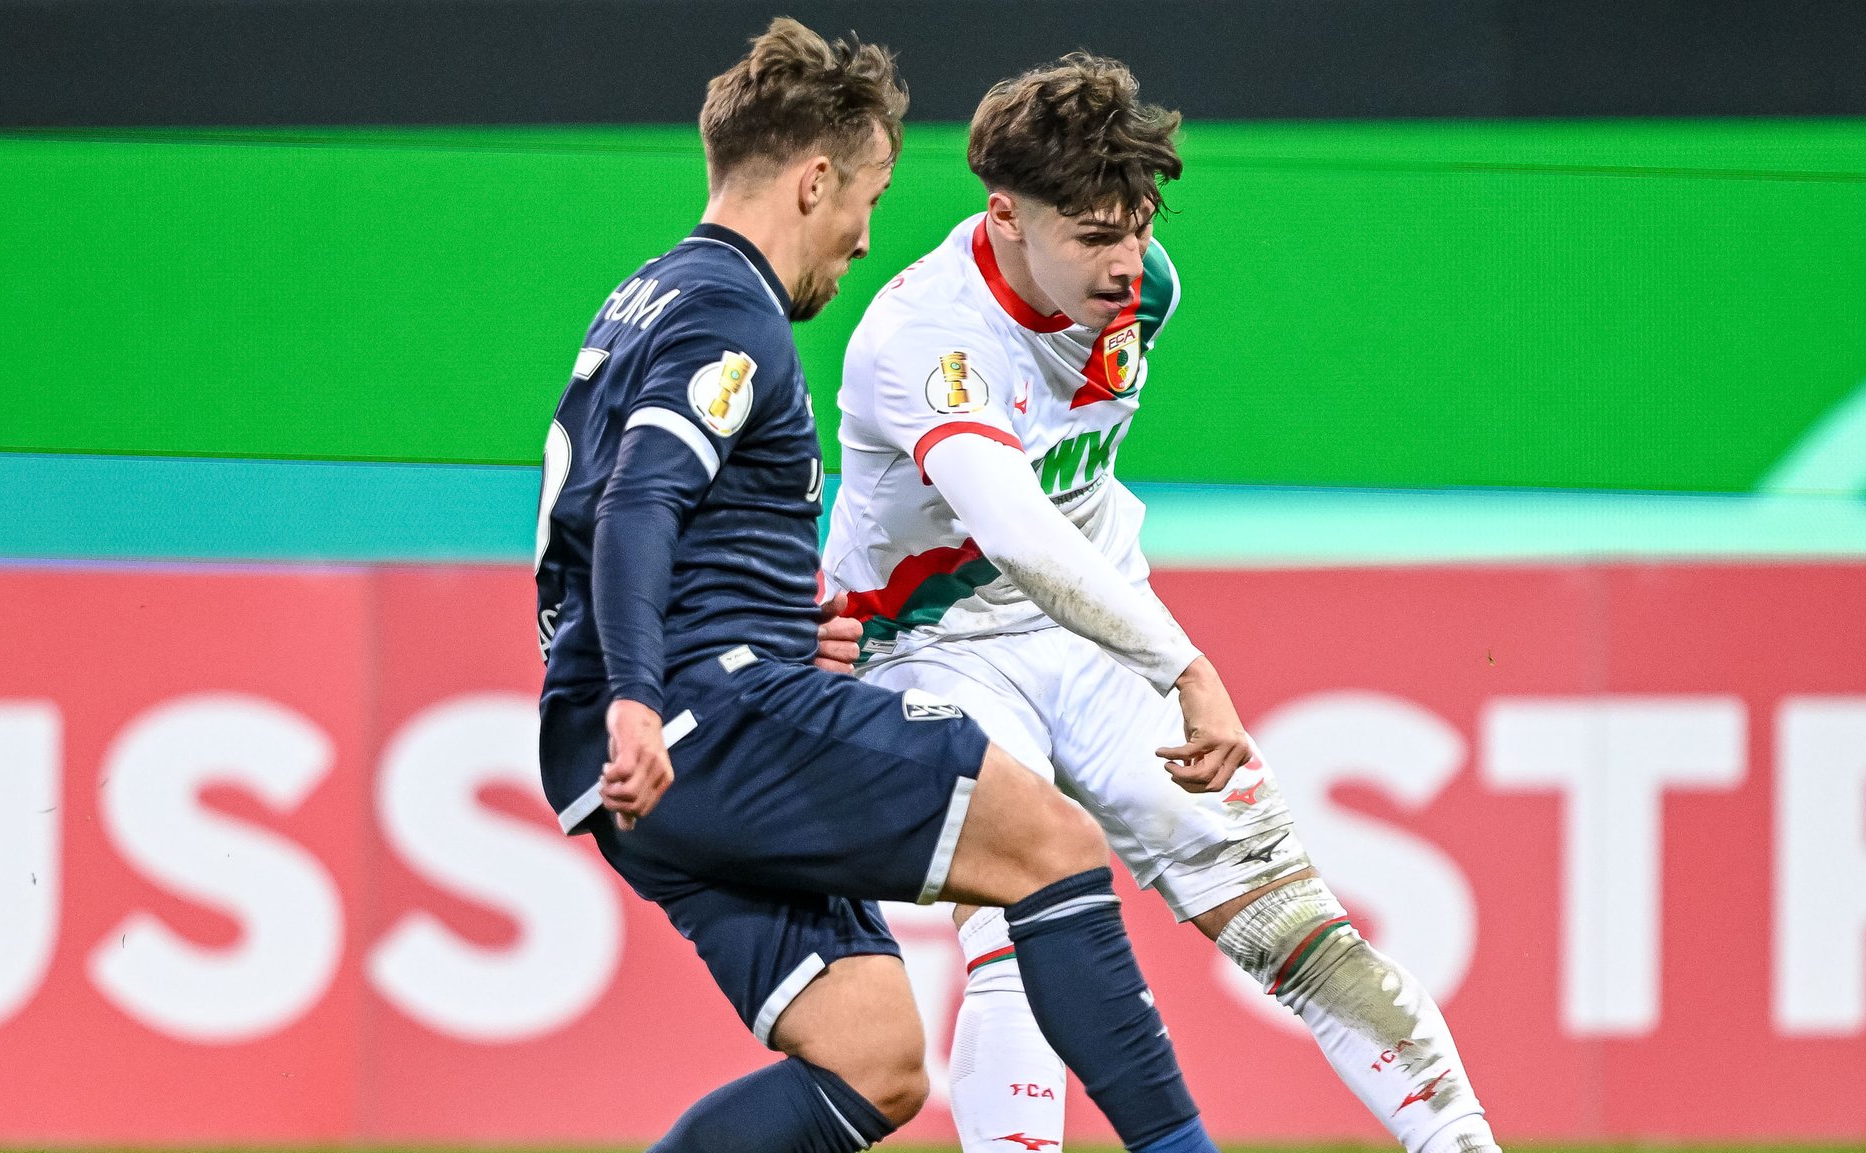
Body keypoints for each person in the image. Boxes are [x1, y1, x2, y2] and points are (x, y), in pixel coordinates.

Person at [535, 20, 1230, 1153]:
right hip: (703, 720)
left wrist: (769, 620)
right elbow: (637, 504)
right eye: (866, 195)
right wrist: (639, 689)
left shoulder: (650, 296)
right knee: (1047, 843)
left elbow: (624, 505)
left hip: (642, 741)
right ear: (814, 181)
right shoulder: (730, 310)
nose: (864, 239)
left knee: (872, 1059)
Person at [823, 52, 1504, 1153]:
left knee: (1290, 918)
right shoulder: (921, 341)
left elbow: (1072, 516)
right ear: (1003, 216)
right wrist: (1184, 668)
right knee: (1011, 919)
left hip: (1087, 625)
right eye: (1092, 236)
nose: (1124, 264)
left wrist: (1148, 656)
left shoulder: (1148, 289)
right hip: (930, 644)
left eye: (1136, 225)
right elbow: (1019, 533)